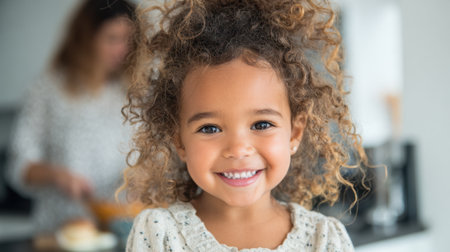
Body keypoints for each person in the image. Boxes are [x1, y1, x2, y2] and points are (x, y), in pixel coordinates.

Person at [123, 0, 368, 251]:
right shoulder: (159, 233)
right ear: (179, 140)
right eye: (210, 128)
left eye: (262, 124)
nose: (238, 149)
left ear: (294, 132)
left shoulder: (324, 238)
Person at [7, 0, 136, 233]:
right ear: (86, 38)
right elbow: (19, 165)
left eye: (128, 39)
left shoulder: (131, 92)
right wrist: (58, 175)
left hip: (120, 227)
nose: (122, 49)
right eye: (112, 38)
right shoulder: (48, 90)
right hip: (58, 230)